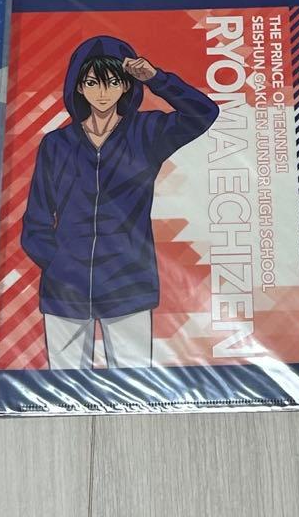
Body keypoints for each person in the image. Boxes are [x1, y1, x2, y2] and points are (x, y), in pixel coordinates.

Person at [21, 37, 219, 370]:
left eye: (113, 82)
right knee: (64, 386)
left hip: (129, 285)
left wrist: (156, 79)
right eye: (92, 82)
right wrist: (59, 264)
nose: (103, 91)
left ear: (126, 85)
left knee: (133, 383)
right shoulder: (57, 144)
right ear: (78, 86)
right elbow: (37, 219)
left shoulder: (147, 133)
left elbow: (204, 112)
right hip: (64, 293)